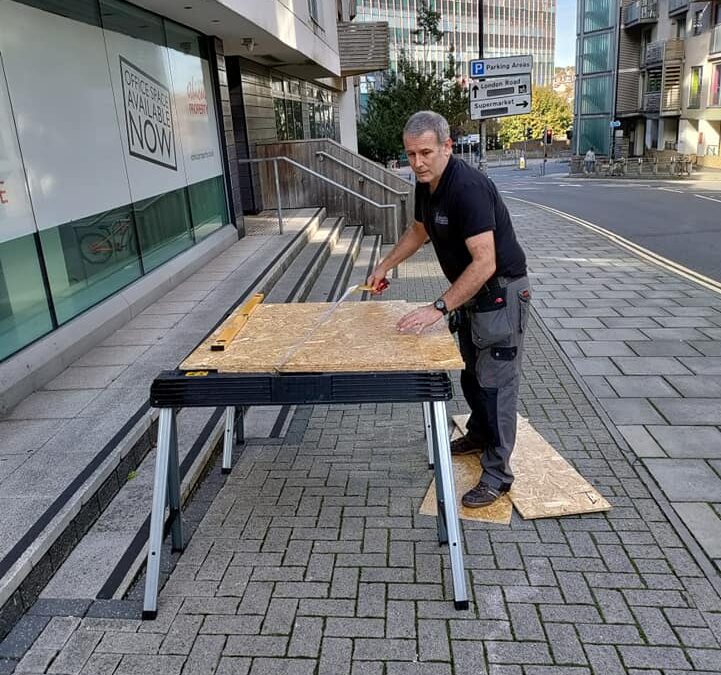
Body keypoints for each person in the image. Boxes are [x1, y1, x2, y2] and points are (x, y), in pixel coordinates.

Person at [367, 111, 531, 507]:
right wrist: (386, 264)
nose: (417, 162)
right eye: (410, 154)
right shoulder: (427, 184)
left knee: (496, 387)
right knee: (472, 376)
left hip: (500, 294)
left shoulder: (468, 188)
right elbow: (419, 231)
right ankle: (477, 436)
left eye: (425, 152)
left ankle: (497, 475)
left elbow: (485, 262)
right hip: (474, 295)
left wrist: (438, 307)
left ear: (447, 147)